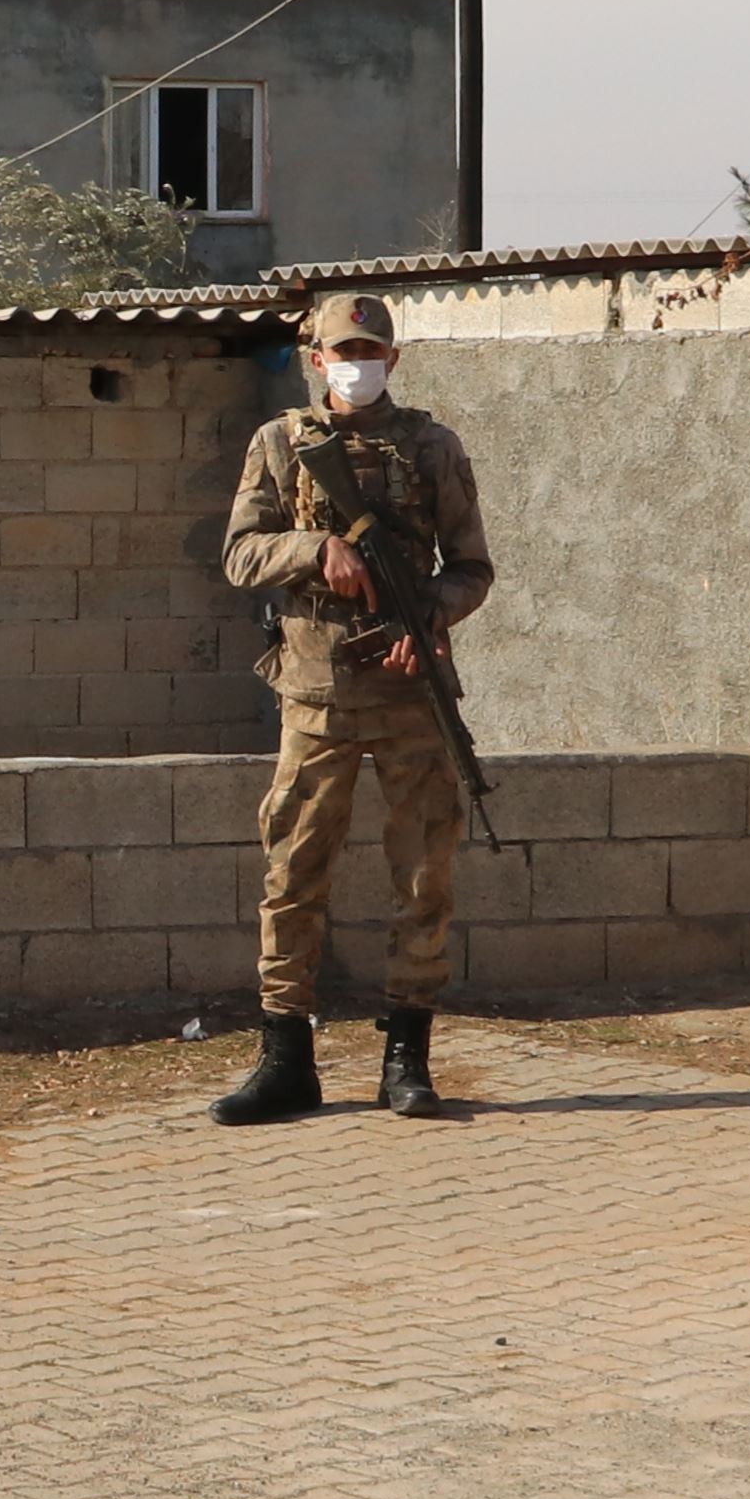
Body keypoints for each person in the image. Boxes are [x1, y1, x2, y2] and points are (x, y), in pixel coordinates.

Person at [212, 290, 496, 1123]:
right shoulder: (280, 444)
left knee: (423, 875)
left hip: (411, 696)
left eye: (371, 353)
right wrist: (316, 549)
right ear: (317, 359)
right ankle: (285, 1057)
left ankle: (406, 1057)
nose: (357, 366)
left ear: (393, 361)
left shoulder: (434, 448)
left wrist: (428, 619)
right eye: (344, 352)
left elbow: (471, 568)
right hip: (315, 693)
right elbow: (238, 552)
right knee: (294, 872)